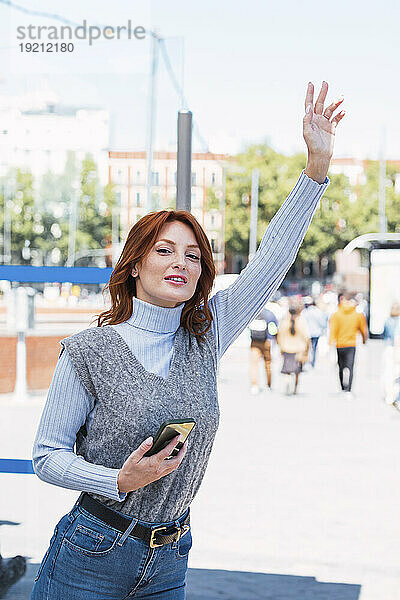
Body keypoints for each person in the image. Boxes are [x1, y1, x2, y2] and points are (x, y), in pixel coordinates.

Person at [30, 81, 344, 600]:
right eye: (166, 251)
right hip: (93, 549)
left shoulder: (207, 333)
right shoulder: (89, 352)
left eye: (194, 256)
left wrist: (314, 172)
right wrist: (118, 480)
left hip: (172, 555)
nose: (182, 262)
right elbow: (45, 456)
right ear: (133, 266)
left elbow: (270, 262)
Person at [329, 292, 368, 399]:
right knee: (350, 367)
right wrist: (364, 340)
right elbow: (363, 329)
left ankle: (343, 387)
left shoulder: (336, 314)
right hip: (351, 344)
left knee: (341, 367)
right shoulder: (357, 314)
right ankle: (349, 390)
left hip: (339, 344)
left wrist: (331, 342)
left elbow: (333, 329)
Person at [277, 306, 310, 395]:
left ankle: (287, 382)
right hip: (298, 350)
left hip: (286, 349)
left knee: (287, 370)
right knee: (297, 371)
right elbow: (307, 337)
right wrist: (306, 350)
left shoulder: (284, 322)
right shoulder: (301, 322)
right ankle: (295, 389)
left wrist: (280, 347)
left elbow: (279, 336)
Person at [249, 306, 278, 394]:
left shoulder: (252, 312)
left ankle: (254, 385)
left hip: (254, 341)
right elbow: (274, 329)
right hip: (266, 341)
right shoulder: (269, 314)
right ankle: (268, 385)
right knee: (268, 364)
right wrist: (271, 338)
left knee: (254, 364)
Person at [383, 302, 400, 408]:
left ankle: (388, 395)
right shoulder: (398, 322)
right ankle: (394, 396)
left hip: (388, 348)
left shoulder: (388, 320)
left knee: (388, 372)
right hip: (396, 348)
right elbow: (397, 337)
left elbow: (385, 335)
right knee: (396, 374)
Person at [302, 296, 327, 367]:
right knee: (314, 349)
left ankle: (306, 362)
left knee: (306, 348)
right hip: (316, 333)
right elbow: (322, 322)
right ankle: (312, 363)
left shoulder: (304, 312)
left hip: (307, 333)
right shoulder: (317, 311)